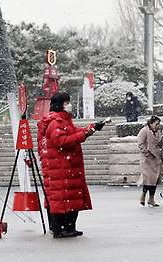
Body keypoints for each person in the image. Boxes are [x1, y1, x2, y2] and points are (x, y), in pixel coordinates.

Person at [37, 92, 107, 238]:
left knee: (68, 199)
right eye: (66, 102)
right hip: (61, 169)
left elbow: (73, 132)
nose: (69, 105)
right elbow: (62, 142)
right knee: (63, 200)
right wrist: (85, 134)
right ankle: (62, 229)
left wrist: (92, 128)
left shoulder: (63, 121)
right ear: (60, 105)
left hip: (66, 168)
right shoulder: (56, 122)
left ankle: (67, 228)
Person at [137, 116, 163, 207]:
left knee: (154, 180)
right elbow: (140, 143)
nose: (157, 126)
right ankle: (143, 196)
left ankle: (151, 199)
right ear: (151, 123)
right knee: (147, 179)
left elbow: (160, 144)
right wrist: (146, 153)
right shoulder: (144, 131)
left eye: (158, 124)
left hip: (156, 159)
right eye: (156, 124)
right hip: (146, 159)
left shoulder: (159, 132)